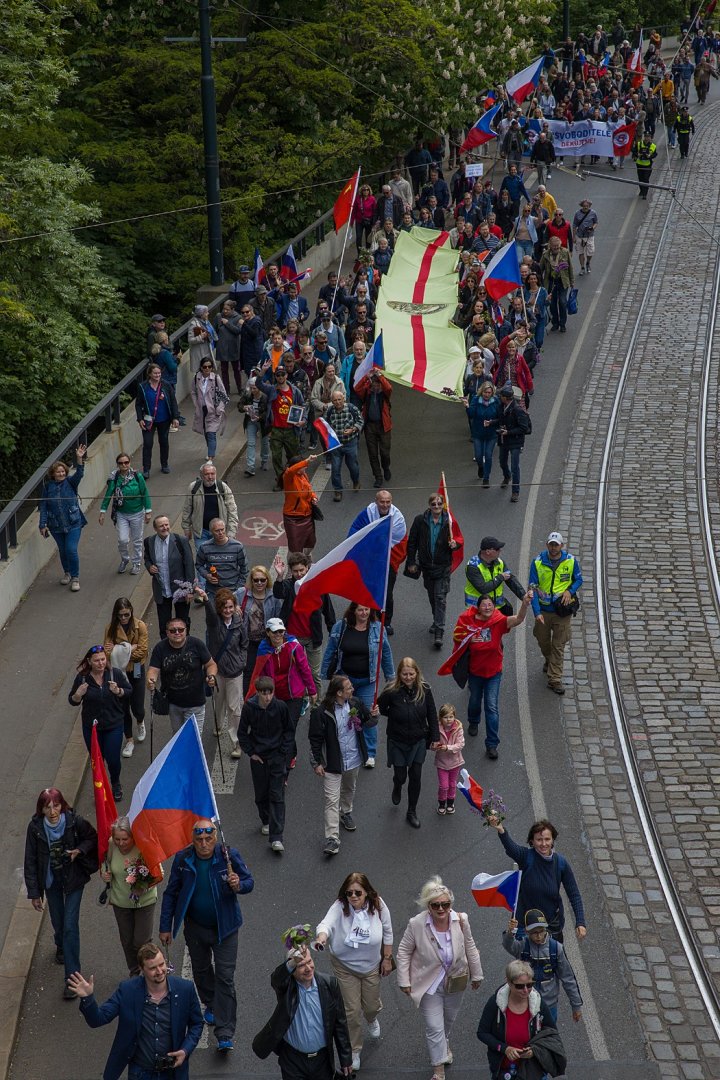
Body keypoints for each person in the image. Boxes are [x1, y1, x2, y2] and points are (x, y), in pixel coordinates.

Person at [159, 819, 254, 1053]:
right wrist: (165, 926)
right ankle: (210, 1002)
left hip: (225, 928)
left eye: (208, 839)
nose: (204, 844)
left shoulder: (228, 856)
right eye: (199, 839)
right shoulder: (183, 859)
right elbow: (171, 893)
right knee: (201, 971)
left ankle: (225, 1032)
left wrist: (239, 884)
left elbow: (249, 882)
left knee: (225, 977)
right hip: (196, 927)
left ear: (215, 838)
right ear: (192, 839)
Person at [69, 941, 203, 1078]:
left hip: (173, 1072)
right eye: (152, 968)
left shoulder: (185, 989)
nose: (159, 971)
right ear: (142, 969)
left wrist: (185, 1050)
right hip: (140, 1073)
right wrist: (87, 998)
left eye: (162, 964)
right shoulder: (127, 990)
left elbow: (197, 1023)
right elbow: (98, 1019)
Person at [396, 876, 483, 1080]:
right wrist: (404, 980)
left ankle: (443, 1045)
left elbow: (470, 946)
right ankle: (438, 1070)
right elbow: (404, 952)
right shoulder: (416, 924)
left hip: (456, 981)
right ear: (428, 906)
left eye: (446, 904)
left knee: (447, 1021)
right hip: (429, 985)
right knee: (434, 1026)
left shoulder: (461, 920)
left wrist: (477, 974)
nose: (441, 909)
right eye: (436, 905)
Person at [312, 872, 394, 1071]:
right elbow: (326, 924)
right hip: (345, 967)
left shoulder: (378, 905)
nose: (353, 897)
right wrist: (322, 937)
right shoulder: (339, 906)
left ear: (367, 892)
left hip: (371, 966)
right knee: (351, 1011)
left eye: (358, 892)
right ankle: (354, 1050)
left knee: (371, 1006)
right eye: (349, 893)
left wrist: (387, 959)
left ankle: (372, 1018)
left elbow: (388, 931)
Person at [24, 787, 98, 999]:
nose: (53, 811)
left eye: (56, 806)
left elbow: (92, 838)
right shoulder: (35, 828)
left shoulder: (75, 821)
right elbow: (30, 860)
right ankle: (61, 946)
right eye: (47, 807)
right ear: (41, 809)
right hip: (51, 881)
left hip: (73, 879)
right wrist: (34, 893)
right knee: (58, 920)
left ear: (62, 805)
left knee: (70, 926)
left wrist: (79, 850)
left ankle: (72, 980)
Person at [444, 592, 532, 757]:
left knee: (491, 707)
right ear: (478, 608)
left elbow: (518, 619)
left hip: (494, 674)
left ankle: (492, 744)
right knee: (474, 701)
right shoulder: (468, 621)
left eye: (490, 605)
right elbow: (458, 636)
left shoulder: (498, 622)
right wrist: (469, 640)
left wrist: (525, 604)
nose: (487, 608)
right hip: (475, 673)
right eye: (484, 605)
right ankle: (473, 721)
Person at [252, 944, 353, 1079]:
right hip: (293, 1061)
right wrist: (293, 961)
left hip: (322, 1061)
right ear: (292, 970)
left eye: (309, 962)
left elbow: (340, 1023)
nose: (308, 968)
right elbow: (276, 979)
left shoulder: (330, 984)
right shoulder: (286, 987)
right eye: (301, 965)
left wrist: (346, 1058)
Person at [487, 815, 587, 941]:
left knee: (556, 954)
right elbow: (511, 847)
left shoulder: (561, 863)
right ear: (532, 841)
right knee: (523, 953)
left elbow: (574, 894)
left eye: (547, 839)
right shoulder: (526, 857)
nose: (544, 844)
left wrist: (580, 922)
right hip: (524, 926)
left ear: (552, 840)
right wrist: (501, 829)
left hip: (549, 926)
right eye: (539, 840)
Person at [309, 676, 379, 855]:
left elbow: (368, 722)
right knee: (331, 800)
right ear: (339, 692)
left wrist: (374, 715)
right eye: (349, 688)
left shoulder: (355, 704)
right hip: (332, 763)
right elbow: (315, 739)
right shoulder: (321, 712)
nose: (352, 689)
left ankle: (346, 812)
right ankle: (332, 838)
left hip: (353, 759)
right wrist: (316, 762)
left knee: (349, 789)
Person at [320, 604, 395, 768]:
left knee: (368, 714)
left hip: (368, 681)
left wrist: (390, 677)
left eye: (367, 609)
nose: (364, 613)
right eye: (360, 609)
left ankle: (369, 753)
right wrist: (325, 673)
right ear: (353, 610)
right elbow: (331, 649)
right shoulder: (341, 626)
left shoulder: (378, 628)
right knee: (344, 713)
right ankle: (344, 747)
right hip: (345, 679)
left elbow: (385, 652)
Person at [378, 657, 439, 828]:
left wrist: (435, 738)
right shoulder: (391, 691)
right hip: (397, 741)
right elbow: (381, 708)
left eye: (411, 674)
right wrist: (396, 714)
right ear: (399, 674)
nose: (408, 677)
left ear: (417, 673)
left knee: (416, 776)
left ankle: (411, 811)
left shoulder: (425, 689)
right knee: (401, 776)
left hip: (418, 740)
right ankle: (397, 784)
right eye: (404, 674)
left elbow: (432, 714)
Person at [477, 960, 563, 1080]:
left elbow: (551, 1033)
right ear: (509, 982)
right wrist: (504, 1049)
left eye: (529, 985)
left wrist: (534, 1051)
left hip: (533, 1069)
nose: (526, 990)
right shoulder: (496, 1003)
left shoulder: (538, 1003)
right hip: (504, 1070)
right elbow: (482, 1032)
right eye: (520, 986)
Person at [248, 617, 318, 764]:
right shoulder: (263, 649)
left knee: (289, 725)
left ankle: (285, 762)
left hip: (294, 694)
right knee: (279, 726)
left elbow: (304, 669)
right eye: (275, 632)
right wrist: (255, 697)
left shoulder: (294, 646)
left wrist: (312, 691)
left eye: (281, 631)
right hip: (274, 695)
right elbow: (259, 673)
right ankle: (292, 752)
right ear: (268, 632)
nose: (278, 635)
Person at [238, 676, 295, 852]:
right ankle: (266, 820)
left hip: (277, 758)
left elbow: (289, 730)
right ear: (258, 693)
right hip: (259, 759)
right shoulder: (249, 708)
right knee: (261, 794)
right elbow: (242, 733)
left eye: (270, 693)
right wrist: (251, 753)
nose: (268, 697)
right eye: (264, 693)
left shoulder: (280, 707)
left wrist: (283, 752)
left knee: (277, 795)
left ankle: (277, 837)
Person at [100, 816, 161, 976]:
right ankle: (135, 972)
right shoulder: (111, 844)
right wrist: (104, 874)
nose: (121, 843)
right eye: (117, 839)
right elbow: (106, 863)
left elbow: (159, 872)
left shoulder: (144, 844)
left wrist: (144, 886)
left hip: (145, 902)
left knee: (141, 941)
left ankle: (149, 971)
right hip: (121, 902)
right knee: (127, 941)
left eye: (125, 839)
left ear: (133, 836)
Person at [69, 645, 131, 801]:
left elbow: (129, 691)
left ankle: (115, 783)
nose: (101, 663)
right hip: (92, 728)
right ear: (89, 661)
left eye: (103, 659)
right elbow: (72, 700)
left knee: (113, 759)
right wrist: (78, 694)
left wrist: (118, 691)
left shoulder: (114, 674)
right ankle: (100, 788)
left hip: (113, 725)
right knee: (97, 761)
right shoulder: (82, 678)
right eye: (97, 660)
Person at [502, 909, 582, 1024]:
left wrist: (576, 1006)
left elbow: (568, 978)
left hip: (549, 1005)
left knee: (548, 1033)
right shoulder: (523, 946)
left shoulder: (556, 949)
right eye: (534, 933)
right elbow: (508, 945)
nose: (539, 936)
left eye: (542, 931)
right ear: (527, 932)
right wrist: (510, 933)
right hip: (525, 1002)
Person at [195, 585, 248, 758]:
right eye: (224, 607)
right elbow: (210, 614)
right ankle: (218, 725)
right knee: (219, 701)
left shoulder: (240, 622)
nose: (228, 610)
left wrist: (241, 661)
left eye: (231, 607)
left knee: (234, 708)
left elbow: (244, 644)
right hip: (217, 670)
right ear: (219, 608)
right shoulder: (214, 623)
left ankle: (237, 743)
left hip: (235, 672)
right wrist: (205, 599)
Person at [528, 531, 583, 695]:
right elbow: (532, 589)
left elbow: (578, 579)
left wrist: (569, 591)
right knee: (542, 640)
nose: (553, 548)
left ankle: (554, 679)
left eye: (556, 545)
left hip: (562, 611)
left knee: (558, 646)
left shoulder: (571, 561)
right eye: (551, 544)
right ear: (547, 545)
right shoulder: (537, 562)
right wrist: (537, 612)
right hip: (543, 611)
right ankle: (549, 660)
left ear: (562, 546)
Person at [272, 552, 336, 690]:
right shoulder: (289, 585)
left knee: (314, 675)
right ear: (291, 571)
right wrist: (279, 576)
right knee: (294, 672)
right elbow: (278, 593)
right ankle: (301, 698)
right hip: (293, 638)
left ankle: (316, 701)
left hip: (313, 638)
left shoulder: (317, 586)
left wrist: (333, 632)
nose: (299, 574)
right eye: (295, 571)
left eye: (302, 570)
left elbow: (328, 612)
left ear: (308, 567)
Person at [347, 489, 406, 635]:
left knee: (386, 593)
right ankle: (367, 618)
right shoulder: (367, 513)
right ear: (376, 501)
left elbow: (400, 539)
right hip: (369, 560)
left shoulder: (398, 518)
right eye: (382, 502)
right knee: (367, 589)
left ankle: (386, 622)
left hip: (388, 561)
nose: (385, 505)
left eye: (388, 502)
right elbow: (355, 530)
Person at [406, 493, 459, 648]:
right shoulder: (420, 520)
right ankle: (436, 620)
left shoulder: (449, 521)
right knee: (432, 596)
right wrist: (411, 561)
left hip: (443, 567)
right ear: (429, 505)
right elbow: (412, 542)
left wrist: (455, 545)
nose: (436, 506)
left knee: (440, 598)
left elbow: (458, 539)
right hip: (427, 567)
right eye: (433, 504)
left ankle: (439, 632)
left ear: (443, 505)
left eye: (439, 504)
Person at [147, 618, 217, 733]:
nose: (177, 633)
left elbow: (211, 664)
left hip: (195, 703)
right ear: (167, 632)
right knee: (178, 736)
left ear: (186, 630)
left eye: (180, 630)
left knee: (193, 738)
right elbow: (153, 670)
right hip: (173, 703)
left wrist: (211, 675)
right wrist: (151, 680)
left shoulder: (196, 644)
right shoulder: (160, 648)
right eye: (173, 630)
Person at [38, 444, 87, 593]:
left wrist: (79, 458)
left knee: (71, 549)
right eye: (58, 472)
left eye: (63, 471)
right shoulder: (48, 487)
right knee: (63, 550)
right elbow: (44, 506)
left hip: (73, 523)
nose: (61, 473)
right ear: (53, 474)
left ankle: (75, 578)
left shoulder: (70, 482)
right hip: (55, 525)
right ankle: (67, 573)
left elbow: (79, 474)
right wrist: (42, 524)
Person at [103, 597, 148, 759]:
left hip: (136, 669)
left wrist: (119, 650)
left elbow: (142, 651)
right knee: (122, 708)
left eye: (126, 615)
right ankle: (129, 739)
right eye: (120, 615)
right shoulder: (110, 628)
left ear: (131, 612)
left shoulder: (140, 626)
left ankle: (140, 721)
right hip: (119, 672)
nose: (123, 618)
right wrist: (130, 648)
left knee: (138, 706)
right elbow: (107, 652)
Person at [181, 462, 239, 585]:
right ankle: (203, 589)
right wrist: (186, 527)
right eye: (207, 474)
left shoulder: (222, 487)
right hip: (201, 532)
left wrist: (232, 532)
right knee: (202, 561)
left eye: (213, 474)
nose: (210, 477)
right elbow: (187, 508)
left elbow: (232, 510)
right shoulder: (193, 488)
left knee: (220, 560)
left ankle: (221, 584)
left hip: (220, 533)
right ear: (201, 475)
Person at [98, 453, 152, 576]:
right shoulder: (114, 478)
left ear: (129, 463)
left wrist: (148, 511)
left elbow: (145, 492)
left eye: (126, 462)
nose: (124, 465)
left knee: (137, 540)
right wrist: (102, 512)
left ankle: (136, 563)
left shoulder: (137, 476)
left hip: (137, 513)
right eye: (121, 463)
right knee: (122, 540)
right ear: (117, 465)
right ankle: (125, 559)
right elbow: (108, 495)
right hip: (121, 514)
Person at [143, 515, 196, 638]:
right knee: (164, 625)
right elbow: (147, 558)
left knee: (182, 623)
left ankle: (184, 645)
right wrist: (149, 566)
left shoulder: (180, 541)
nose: (165, 527)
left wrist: (190, 590)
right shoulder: (149, 541)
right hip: (161, 590)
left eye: (166, 524)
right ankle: (166, 647)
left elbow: (189, 565)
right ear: (155, 528)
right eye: (161, 526)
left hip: (180, 590)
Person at [235, 565, 283, 694]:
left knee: (268, 672)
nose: (259, 583)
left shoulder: (274, 596)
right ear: (251, 580)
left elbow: (279, 618)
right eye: (256, 580)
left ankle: (267, 698)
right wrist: (235, 606)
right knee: (249, 672)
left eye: (263, 580)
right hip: (248, 641)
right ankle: (248, 699)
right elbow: (227, 599)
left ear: (267, 580)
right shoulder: (242, 593)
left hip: (267, 641)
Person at [259, 362, 306, 487]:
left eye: (282, 374)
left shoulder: (295, 391)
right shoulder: (271, 390)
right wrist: (263, 371)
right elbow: (259, 384)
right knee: (276, 457)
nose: (280, 377)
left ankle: (294, 479)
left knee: (293, 457)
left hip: (291, 429)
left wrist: (303, 420)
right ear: (275, 376)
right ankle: (281, 481)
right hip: (276, 430)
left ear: (286, 375)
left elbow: (303, 405)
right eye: (278, 375)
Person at [135, 362, 180, 478]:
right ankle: (146, 469)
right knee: (148, 443)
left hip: (164, 419)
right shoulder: (143, 387)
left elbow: (173, 402)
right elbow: (138, 404)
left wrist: (175, 417)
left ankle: (164, 464)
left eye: (159, 373)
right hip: (148, 420)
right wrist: (140, 419)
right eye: (155, 373)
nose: (157, 375)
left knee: (164, 442)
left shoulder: (166, 385)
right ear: (149, 374)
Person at [464, 536, 526, 611]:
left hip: (497, 607)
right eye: (497, 549)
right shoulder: (473, 566)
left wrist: (523, 596)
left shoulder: (499, 562)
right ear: (488, 552)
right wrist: (500, 577)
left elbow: (510, 579)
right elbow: (483, 588)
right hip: (479, 609)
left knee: (508, 610)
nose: (500, 550)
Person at [355, 367, 393, 488]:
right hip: (370, 426)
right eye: (374, 384)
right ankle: (378, 477)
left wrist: (379, 375)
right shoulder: (367, 392)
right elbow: (357, 388)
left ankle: (386, 467)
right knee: (372, 454)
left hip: (383, 426)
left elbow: (389, 388)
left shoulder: (385, 393)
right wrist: (367, 376)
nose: (376, 387)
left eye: (378, 384)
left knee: (385, 453)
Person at [325, 389, 364, 501]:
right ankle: (338, 491)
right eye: (335, 400)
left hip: (350, 442)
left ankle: (356, 481)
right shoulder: (329, 411)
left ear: (343, 399)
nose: (337, 402)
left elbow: (361, 421)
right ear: (332, 401)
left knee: (353, 466)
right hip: (336, 445)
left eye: (339, 399)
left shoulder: (351, 408)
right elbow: (325, 425)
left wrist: (353, 429)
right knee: (335, 469)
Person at [196, 517, 248, 598]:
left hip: (233, 590)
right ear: (211, 532)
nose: (220, 533)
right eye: (217, 531)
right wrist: (207, 575)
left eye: (222, 529)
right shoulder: (204, 547)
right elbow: (199, 565)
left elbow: (244, 568)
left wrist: (239, 587)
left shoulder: (237, 546)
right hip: (212, 591)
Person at [496, 385, 531, 503]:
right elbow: (500, 420)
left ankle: (515, 491)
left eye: (501, 396)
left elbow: (523, 428)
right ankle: (507, 476)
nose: (499, 397)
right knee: (502, 461)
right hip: (504, 439)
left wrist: (509, 432)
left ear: (506, 398)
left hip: (515, 441)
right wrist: (491, 422)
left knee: (515, 467)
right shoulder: (501, 407)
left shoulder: (518, 410)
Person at [191, 357, 228, 462]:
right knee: (206, 432)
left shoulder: (216, 378)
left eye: (209, 366)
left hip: (213, 410)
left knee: (211, 433)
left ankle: (210, 457)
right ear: (201, 368)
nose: (207, 369)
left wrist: (219, 408)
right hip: (201, 410)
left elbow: (224, 395)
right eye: (205, 367)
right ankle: (210, 452)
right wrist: (196, 404)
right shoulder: (196, 378)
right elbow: (193, 392)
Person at [282, 453, 320, 554]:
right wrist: (307, 460)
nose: (306, 467)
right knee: (295, 549)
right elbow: (291, 470)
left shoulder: (303, 475)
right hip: (293, 519)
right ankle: (295, 563)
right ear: (297, 467)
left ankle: (305, 559)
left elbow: (308, 489)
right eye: (303, 466)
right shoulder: (288, 477)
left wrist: (313, 497)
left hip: (307, 516)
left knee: (310, 543)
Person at [466, 382, 501, 487]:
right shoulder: (476, 400)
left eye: (489, 393)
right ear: (482, 392)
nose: (487, 394)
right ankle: (481, 466)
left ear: (492, 393)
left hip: (491, 434)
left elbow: (500, 417)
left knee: (488, 455)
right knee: (478, 455)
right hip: (478, 433)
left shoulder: (496, 401)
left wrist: (491, 422)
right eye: (485, 392)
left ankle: (486, 478)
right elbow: (471, 414)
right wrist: (467, 407)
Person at [434, 704, 464, 816]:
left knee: (452, 784)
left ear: (454, 717)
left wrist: (448, 747)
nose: (448, 720)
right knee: (444, 786)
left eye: (451, 717)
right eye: (445, 717)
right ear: (441, 718)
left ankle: (450, 803)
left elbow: (460, 744)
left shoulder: (458, 729)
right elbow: (432, 744)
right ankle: (442, 804)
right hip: (442, 762)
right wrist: (434, 746)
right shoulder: (437, 729)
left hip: (455, 762)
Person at [540, 234, 574, 334]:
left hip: (563, 281)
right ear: (550, 246)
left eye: (557, 246)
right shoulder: (545, 255)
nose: (556, 248)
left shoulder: (565, 252)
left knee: (562, 302)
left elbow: (570, 267)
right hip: (551, 282)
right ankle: (555, 323)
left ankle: (562, 324)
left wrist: (572, 281)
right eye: (554, 246)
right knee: (552, 303)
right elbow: (540, 269)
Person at [239, 376, 270, 475]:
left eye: (254, 388)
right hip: (250, 421)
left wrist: (260, 417)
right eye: (251, 388)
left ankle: (264, 461)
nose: (252, 390)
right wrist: (244, 408)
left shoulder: (265, 397)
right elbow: (239, 405)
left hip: (262, 423)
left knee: (264, 442)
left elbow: (268, 412)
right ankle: (250, 466)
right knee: (251, 443)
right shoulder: (247, 395)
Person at [215, 299, 243, 395]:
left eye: (227, 309)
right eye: (224, 309)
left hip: (233, 347)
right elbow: (215, 330)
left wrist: (227, 323)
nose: (225, 311)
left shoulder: (238, 317)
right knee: (224, 370)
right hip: (222, 347)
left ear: (232, 309)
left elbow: (237, 331)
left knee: (236, 369)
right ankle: (226, 389)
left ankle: (240, 388)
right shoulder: (219, 316)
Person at [572, 199, 598, 275]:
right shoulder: (577, 213)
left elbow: (596, 222)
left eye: (587, 206)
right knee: (580, 252)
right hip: (579, 235)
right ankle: (582, 268)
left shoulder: (593, 213)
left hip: (589, 236)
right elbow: (574, 225)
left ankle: (588, 263)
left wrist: (592, 228)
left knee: (590, 252)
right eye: (584, 206)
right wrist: (574, 237)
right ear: (581, 206)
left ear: (589, 206)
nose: (586, 207)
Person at [632, 135, 657, 199]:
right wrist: (637, 155)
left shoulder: (653, 146)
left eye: (648, 137)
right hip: (639, 164)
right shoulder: (639, 144)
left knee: (646, 179)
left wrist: (650, 156)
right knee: (641, 179)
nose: (647, 138)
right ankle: (642, 190)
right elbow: (633, 151)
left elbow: (655, 154)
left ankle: (645, 194)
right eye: (646, 137)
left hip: (648, 165)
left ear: (650, 138)